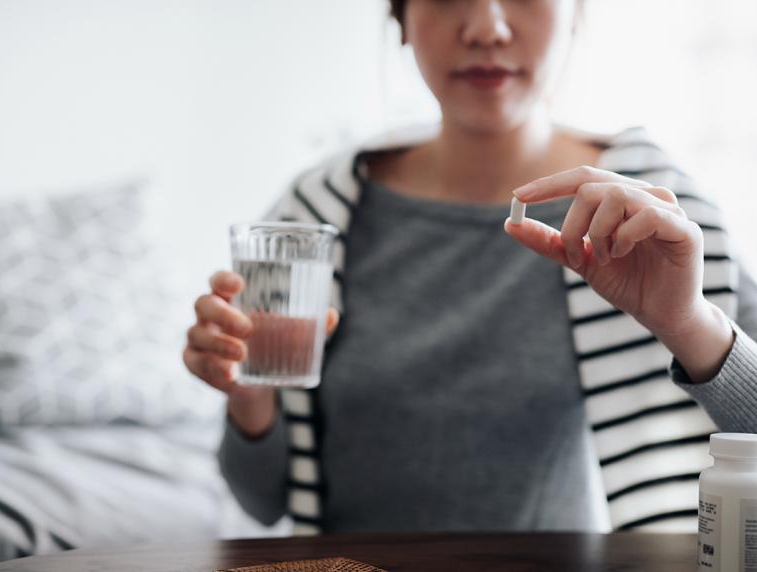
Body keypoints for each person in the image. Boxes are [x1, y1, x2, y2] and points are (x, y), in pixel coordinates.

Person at [183, 0, 757, 534]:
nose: (486, 28)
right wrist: (248, 395)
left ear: (577, 12)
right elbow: (262, 504)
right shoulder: (315, 216)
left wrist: (687, 322)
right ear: (401, 19)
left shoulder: (659, 220)